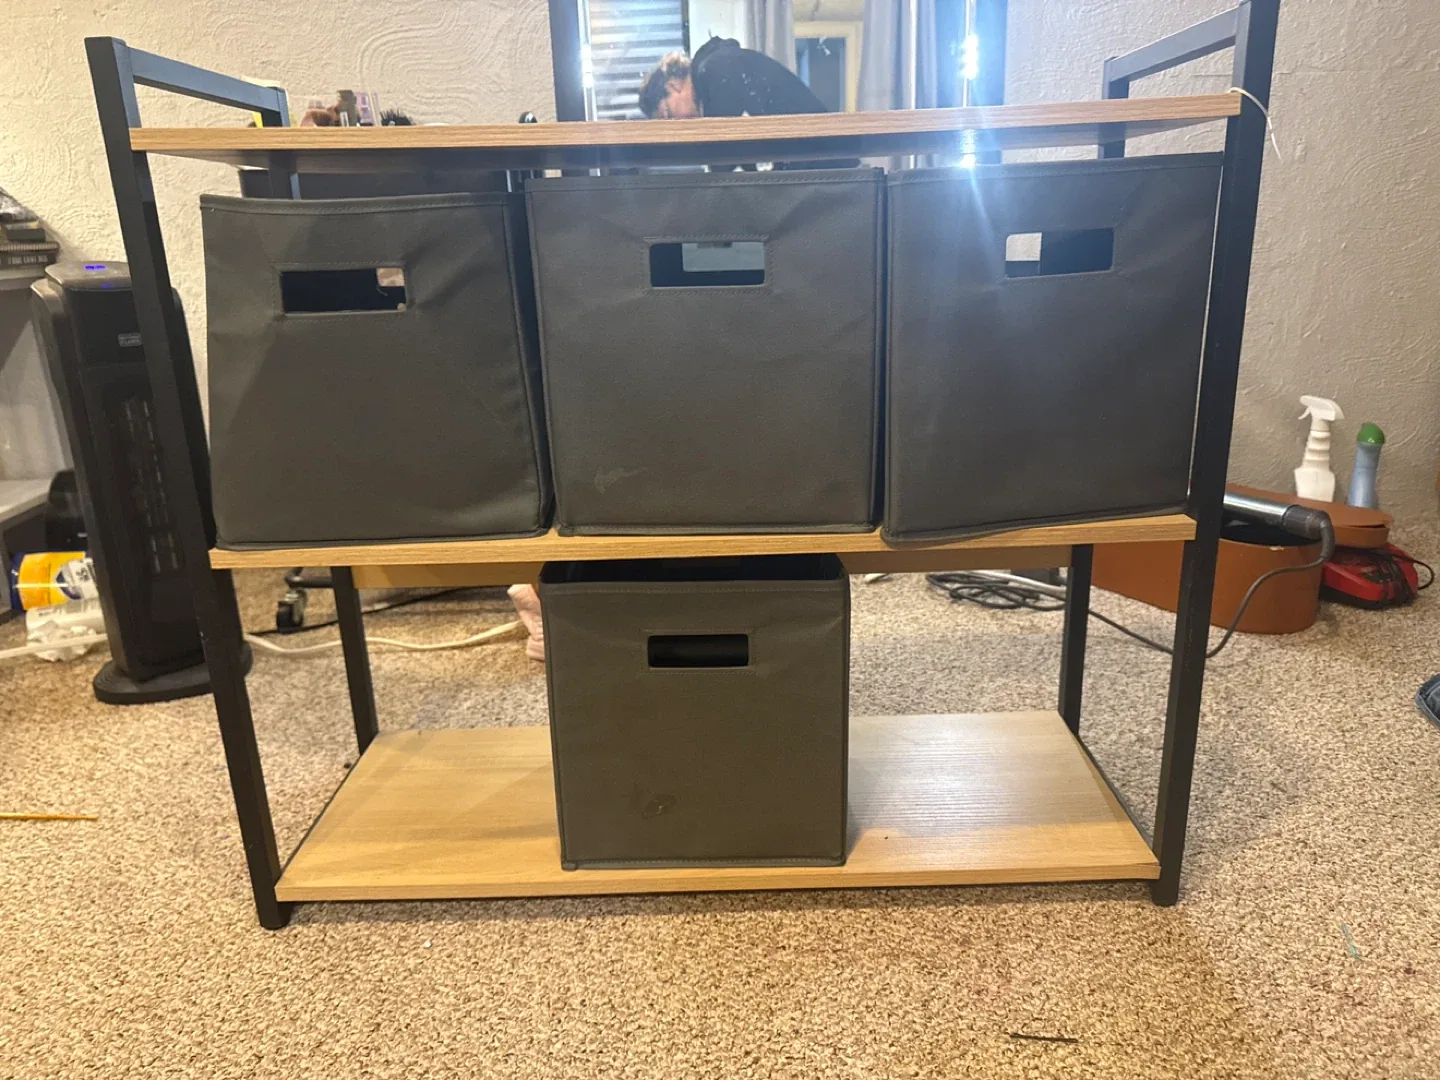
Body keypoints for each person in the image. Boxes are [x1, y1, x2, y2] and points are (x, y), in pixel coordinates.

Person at [638, 37, 830, 120]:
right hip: (821, 160)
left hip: (828, 165)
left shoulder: (713, 70)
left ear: (673, 86)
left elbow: (726, 153)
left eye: (668, 114)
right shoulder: (713, 70)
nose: (676, 124)